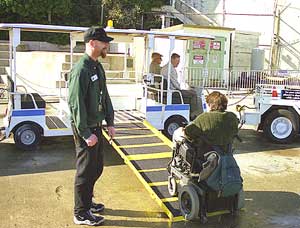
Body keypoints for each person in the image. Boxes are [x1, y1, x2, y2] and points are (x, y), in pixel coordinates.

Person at [68, 27, 115, 226]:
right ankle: (80, 213)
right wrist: (86, 133)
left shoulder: (97, 66)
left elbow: (105, 96)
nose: (107, 45)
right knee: (85, 170)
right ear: (92, 43)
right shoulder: (81, 70)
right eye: (104, 42)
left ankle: (87, 201)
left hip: (96, 126)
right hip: (85, 127)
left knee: (97, 168)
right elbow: (75, 104)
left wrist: (110, 122)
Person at [161, 53, 201, 118]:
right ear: (172, 59)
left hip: (168, 90)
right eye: (177, 62)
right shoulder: (170, 69)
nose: (178, 64)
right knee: (193, 93)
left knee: (189, 92)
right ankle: (193, 113)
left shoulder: (164, 67)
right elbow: (175, 83)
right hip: (172, 91)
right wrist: (181, 89)